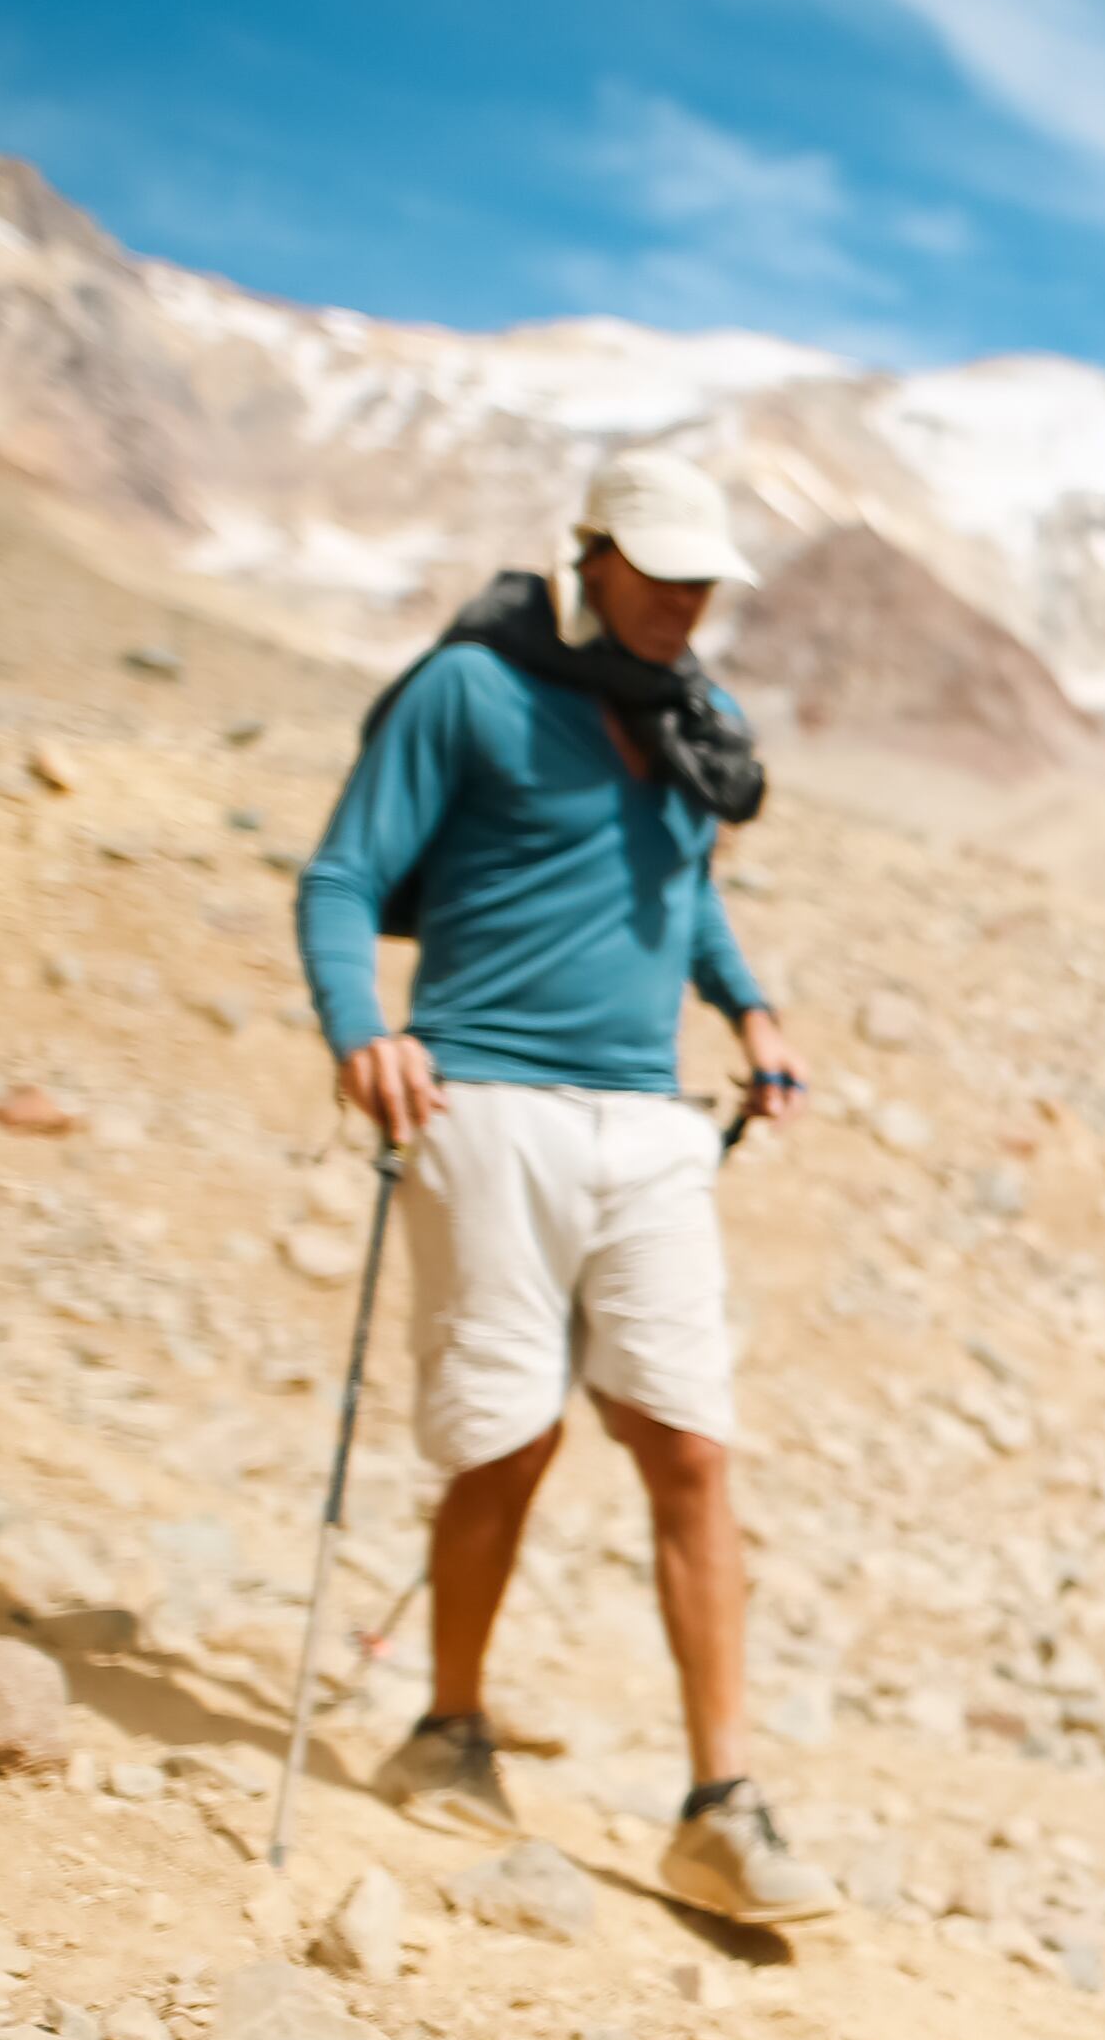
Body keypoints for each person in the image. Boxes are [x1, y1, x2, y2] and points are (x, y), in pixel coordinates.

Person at [293, 449, 835, 1928]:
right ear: (587, 555)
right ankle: (447, 1727)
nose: (683, 601)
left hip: (648, 1124)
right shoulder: (465, 692)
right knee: (509, 1438)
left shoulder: (688, 724)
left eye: (700, 578)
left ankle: (722, 1805)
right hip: (486, 1101)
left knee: (690, 1447)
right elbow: (343, 876)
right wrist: (364, 1035)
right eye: (657, 571)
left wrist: (752, 1012)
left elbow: (679, 886)